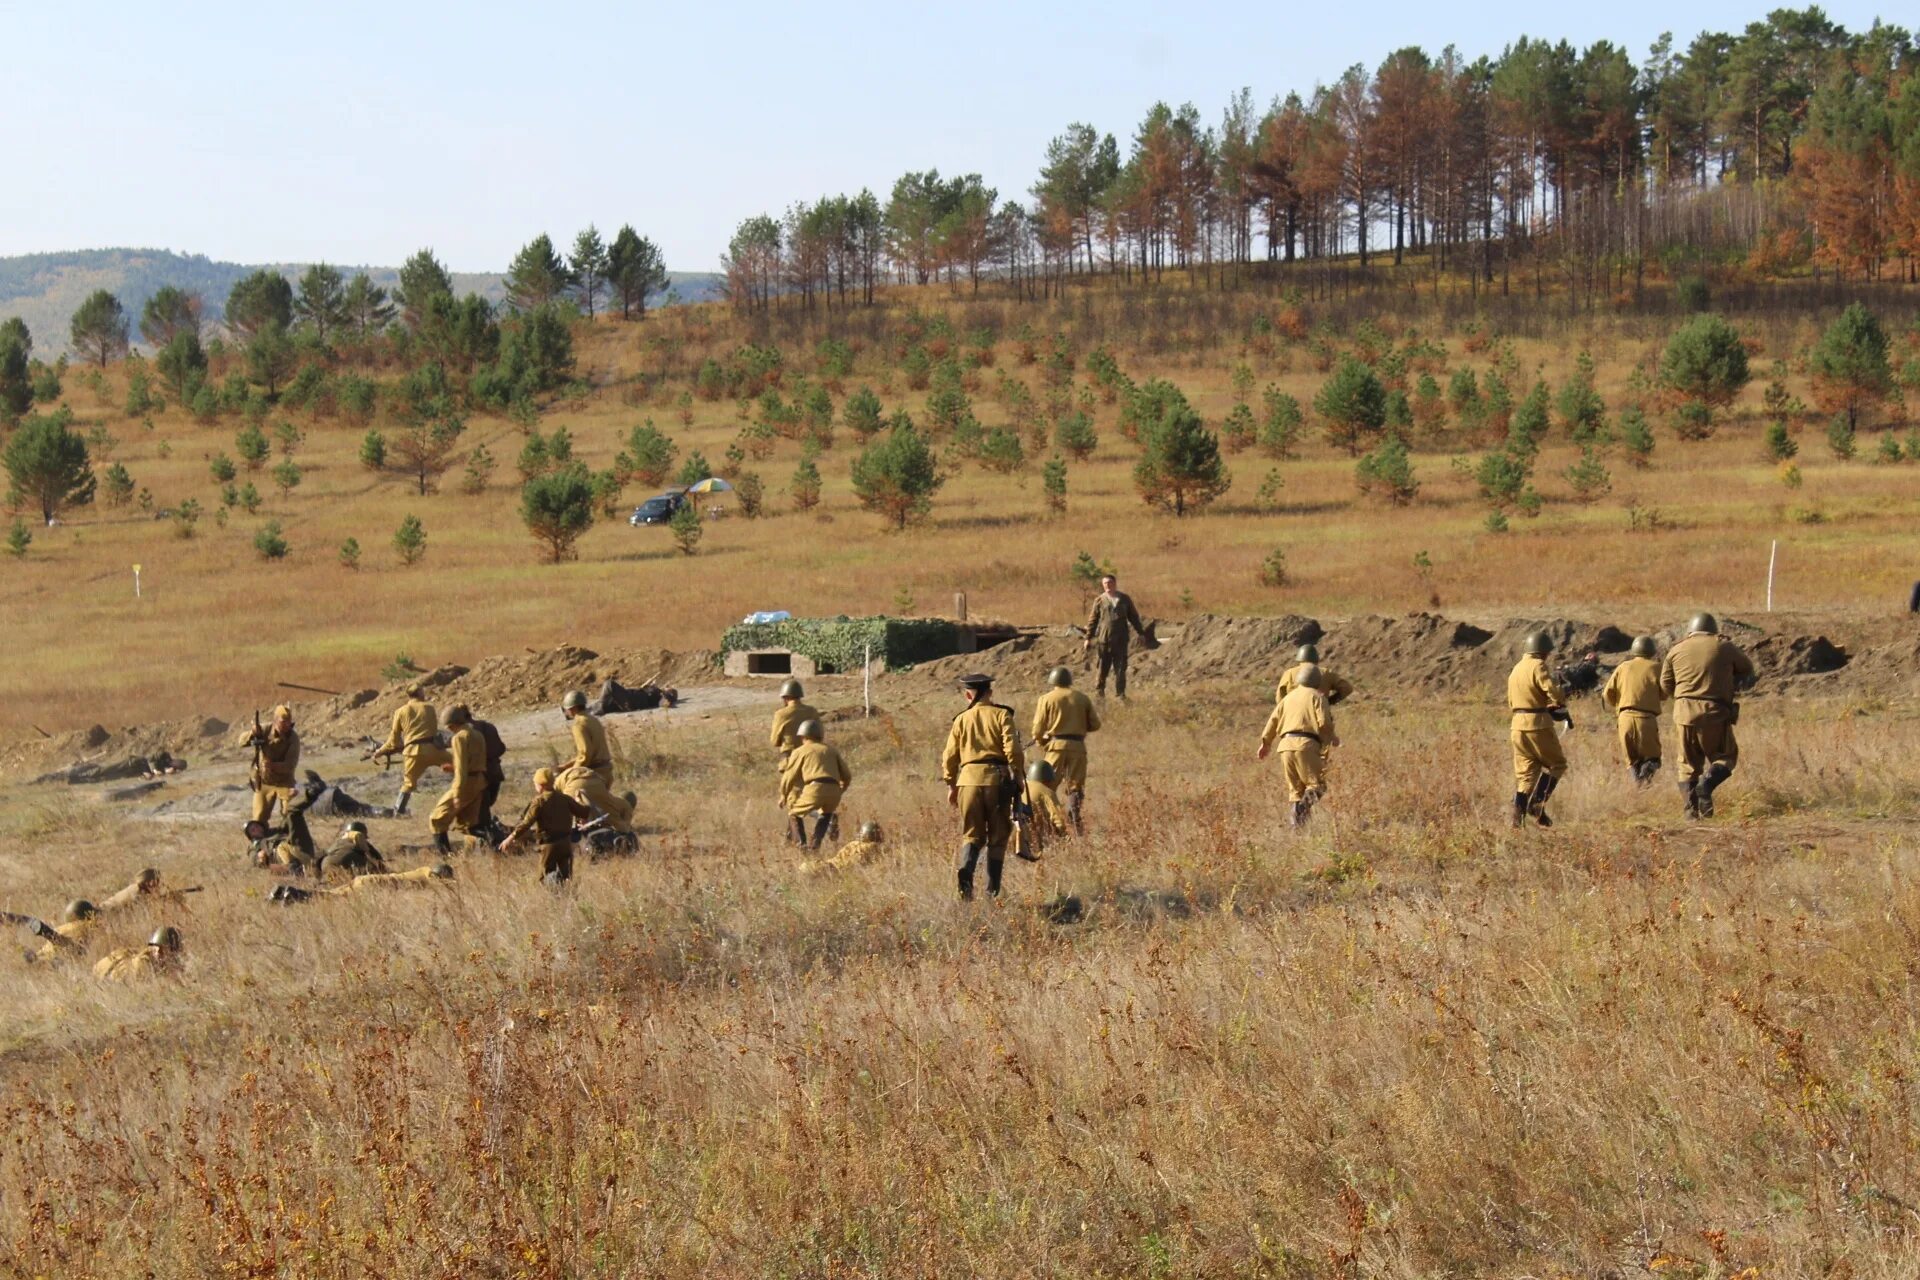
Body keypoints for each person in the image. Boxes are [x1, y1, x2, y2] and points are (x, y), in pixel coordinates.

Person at [1660, 612, 1757, 819]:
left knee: (1687, 765)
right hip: (1714, 713)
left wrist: (1683, 698)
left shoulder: (1676, 650)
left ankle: (1691, 814)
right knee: (1725, 757)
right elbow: (1747, 668)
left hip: (1683, 714)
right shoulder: (1723, 646)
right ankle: (1707, 785)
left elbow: (1665, 684)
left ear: (1691, 631)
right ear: (1713, 629)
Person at [941, 673, 1024, 900]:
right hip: (996, 780)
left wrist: (951, 784)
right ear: (990, 693)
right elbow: (1014, 750)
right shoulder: (1002, 714)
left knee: (972, 835)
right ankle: (992, 893)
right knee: (998, 837)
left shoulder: (960, 720)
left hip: (967, 781)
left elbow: (949, 757)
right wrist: (1017, 776)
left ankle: (966, 875)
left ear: (968, 695)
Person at [1257, 664, 1340, 826]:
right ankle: (1301, 811)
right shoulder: (1317, 696)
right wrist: (1332, 737)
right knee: (1318, 786)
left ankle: (1298, 828)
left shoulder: (1287, 699)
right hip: (1306, 745)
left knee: (1296, 792)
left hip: (1285, 747)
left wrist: (1265, 744)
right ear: (1318, 681)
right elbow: (1323, 723)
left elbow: (1272, 722)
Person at [1507, 632, 1570, 829]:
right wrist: (1559, 699)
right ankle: (1537, 804)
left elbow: (1511, 701)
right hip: (1537, 724)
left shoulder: (1516, 669)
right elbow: (1551, 690)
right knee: (1557, 764)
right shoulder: (1538, 665)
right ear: (1543, 652)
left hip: (1517, 726)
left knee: (1526, 775)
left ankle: (1517, 821)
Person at [1029, 666, 1101, 834]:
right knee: (1075, 786)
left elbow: (1038, 729)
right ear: (1069, 680)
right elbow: (1095, 724)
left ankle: (1047, 823)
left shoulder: (1046, 699)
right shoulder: (1082, 698)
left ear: (1052, 681)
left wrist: (1042, 742)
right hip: (1078, 747)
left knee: (1046, 785)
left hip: (1055, 747)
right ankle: (1073, 817)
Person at [557, 691, 636, 835]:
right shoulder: (593, 720)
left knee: (583, 806)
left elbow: (585, 754)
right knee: (602, 805)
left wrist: (571, 773)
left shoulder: (578, 725)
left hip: (594, 773)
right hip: (605, 769)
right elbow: (587, 752)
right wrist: (566, 766)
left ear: (572, 709)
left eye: (566, 709)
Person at [501, 768, 592, 886]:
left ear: (541, 785)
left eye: (535, 784)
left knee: (542, 880)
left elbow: (526, 823)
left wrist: (510, 838)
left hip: (549, 846)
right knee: (566, 879)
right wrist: (580, 800)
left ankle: (550, 900)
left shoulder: (539, 801)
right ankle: (566, 900)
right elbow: (584, 812)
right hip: (566, 844)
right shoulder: (565, 799)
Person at [371, 685, 451, 816]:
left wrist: (380, 751)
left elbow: (393, 741)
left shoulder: (400, 711)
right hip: (432, 750)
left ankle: (398, 811)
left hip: (412, 753)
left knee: (408, 784)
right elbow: (434, 731)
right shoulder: (429, 708)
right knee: (460, 764)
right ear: (419, 693)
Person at [779, 720, 853, 852]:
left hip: (815, 787)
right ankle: (815, 846)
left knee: (794, 813)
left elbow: (788, 777)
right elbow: (846, 775)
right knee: (826, 814)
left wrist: (783, 795)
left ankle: (801, 846)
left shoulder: (800, 751)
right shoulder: (831, 750)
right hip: (834, 789)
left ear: (803, 736)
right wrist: (841, 790)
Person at [1602, 636, 1666, 785]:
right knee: (1653, 759)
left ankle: (1638, 785)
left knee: (1631, 762)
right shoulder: (1657, 667)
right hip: (1646, 719)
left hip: (1624, 719)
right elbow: (1664, 694)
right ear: (1652, 650)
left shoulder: (1623, 667)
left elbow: (1606, 694)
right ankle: (1645, 780)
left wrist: (1619, 708)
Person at [427, 705, 487, 855]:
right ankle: (491, 848)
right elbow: (474, 762)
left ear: (451, 725)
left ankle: (446, 858)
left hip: (465, 784)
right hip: (478, 782)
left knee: (437, 819)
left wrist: (457, 794)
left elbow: (461, 769)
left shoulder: (459, 738)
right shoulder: (477, 734)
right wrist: (453, 767)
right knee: (468, 825)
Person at [241, 706, 303, 841]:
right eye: (283, 722)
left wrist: (273, 766)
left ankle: (291, 840)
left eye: (288, 722)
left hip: (284, 782)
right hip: (264, 782)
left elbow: (290, 765)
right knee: (258, 819)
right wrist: (252, 733)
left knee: (290, 813)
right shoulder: (265, 729)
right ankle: (260, 846)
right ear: (275, 721)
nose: (286, 725)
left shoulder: (293, 738)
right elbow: (241, 741)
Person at [1083, 574, 1149, 699]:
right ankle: (1099, 693)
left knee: (1120, 668)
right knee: (1102, 667)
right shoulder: (1099, 600)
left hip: (1121, 640)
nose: (1107, 585)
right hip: (1104, 640)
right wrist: (1088, 638)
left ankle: (1120, 694)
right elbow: (1093, 620)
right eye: (1105, 583)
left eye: (1110, 582)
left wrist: (1141, 633)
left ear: (1114, 583)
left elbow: (1134, 617)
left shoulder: (1124, 599)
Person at [271, 864, 454, 903]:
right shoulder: (428, 874)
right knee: (334, 898)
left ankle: (287, 892)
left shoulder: (420, 870)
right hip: (374, 884)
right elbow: (445, 884)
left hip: (367, 879)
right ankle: (295, 896)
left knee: (331, 893)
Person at [471, 714, 509, 842]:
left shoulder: (466, 733)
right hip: (495, 773)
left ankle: (493, 841)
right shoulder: (488, 727)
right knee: (486, 809)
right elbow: (501, 748)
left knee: (481, 815)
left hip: (480, 777)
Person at [1274, 644, 1354, 705]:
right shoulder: (1327, 673)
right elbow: (1347, 688)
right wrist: (1329, 701)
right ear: (1316, 659)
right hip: (1319, 715)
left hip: (1294, 714)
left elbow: (1279, 698)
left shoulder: (1289, 673)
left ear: (1299, 658)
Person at [94, 926, 181, 981]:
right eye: (157, 948)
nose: (159, 952)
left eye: (164, 949)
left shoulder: (166, 964)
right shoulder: (143, 963)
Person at [26, 899, 99, 964]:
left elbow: (47, 948)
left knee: (54, 945)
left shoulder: (60, 928)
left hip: (57, 948)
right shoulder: (91, 924)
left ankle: (43, 955)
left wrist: (38, 954)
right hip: (74, 950)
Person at [799, 822, 885, 875]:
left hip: (831, 866)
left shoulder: (856, 844)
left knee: (804, 867)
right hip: (834, 869)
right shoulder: (873, 847)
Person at [313, 821, 387, 880]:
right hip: (347, 862)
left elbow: (324, 853)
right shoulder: (360, 839)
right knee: (373, 870)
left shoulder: (339, 841)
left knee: (335, 878)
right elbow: (378, 858)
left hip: (326, 864)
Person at [1023, 760, 1069, 841]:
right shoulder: (1046, 792)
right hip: (1032, 835)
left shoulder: (1020, 786)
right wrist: (1066, 836)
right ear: (1047, 780)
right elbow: (1059, 819)